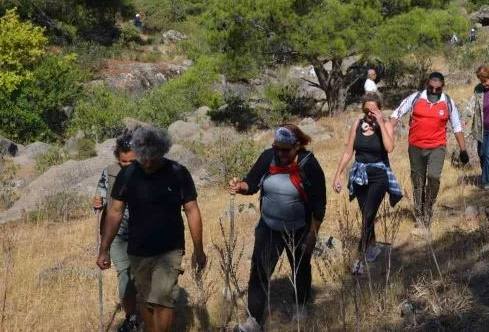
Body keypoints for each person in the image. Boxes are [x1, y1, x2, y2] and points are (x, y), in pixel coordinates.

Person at [96, 126, 206, 332]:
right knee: (146, 300)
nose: (146, 163)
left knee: (163, 299)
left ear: (162, 153)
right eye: (142, 158)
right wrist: (104, 248)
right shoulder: (128, 175)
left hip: (170, 248)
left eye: (152, 159)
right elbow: (115, 212)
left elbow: (192, 211)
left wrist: (199, 249)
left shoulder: (178, 173)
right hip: (138, 249)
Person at [229, 125, 327, 329]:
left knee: (300, 268)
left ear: (297, 146)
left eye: (286, 149)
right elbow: (251, 183)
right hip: (268, 227)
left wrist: (312, 234)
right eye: (278, 148)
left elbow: (319, 205)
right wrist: (240, 187)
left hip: (298, 228)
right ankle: (253, 321)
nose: (281, 153)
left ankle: (300, 307)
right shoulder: (268, 157)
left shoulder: (309, 164)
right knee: (259, 271)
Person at [332, 95, 402, 274]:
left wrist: (380, 122)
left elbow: (389, 148)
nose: (370, 114)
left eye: (374, 110)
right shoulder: (357, 125)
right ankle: (372, 246)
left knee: (369, 213)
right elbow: (349, 152)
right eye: (366, 110)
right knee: (366, 214)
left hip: (379, 176)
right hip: (359, 175)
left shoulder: (385, 126)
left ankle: (358, 258)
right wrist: (338, 175)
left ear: (379, 110)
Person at [390, 72, 468, 232]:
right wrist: (387, 132)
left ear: (442, 86)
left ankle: (428, 208)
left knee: (433, 177)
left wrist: (463, 149)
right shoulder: (416, 97)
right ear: (427, 84)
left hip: (437, 147)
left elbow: (457, 127)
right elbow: (396, 113)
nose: (433, 91)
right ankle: (419, 214)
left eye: (437, 88)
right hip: (415, 146)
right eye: (431, 87)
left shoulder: (447, 102)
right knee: (417, 181)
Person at [92, 130, 139, 332]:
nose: (127, 165)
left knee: (142, 277)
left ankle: (146, 315)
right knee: (124, 275)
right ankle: (131, 318)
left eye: (131, 161)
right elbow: (99, 198)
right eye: (123, 161)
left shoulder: (148, 171)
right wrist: (97, 203)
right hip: (117, 233)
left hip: (143, 232)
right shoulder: (109, 172)